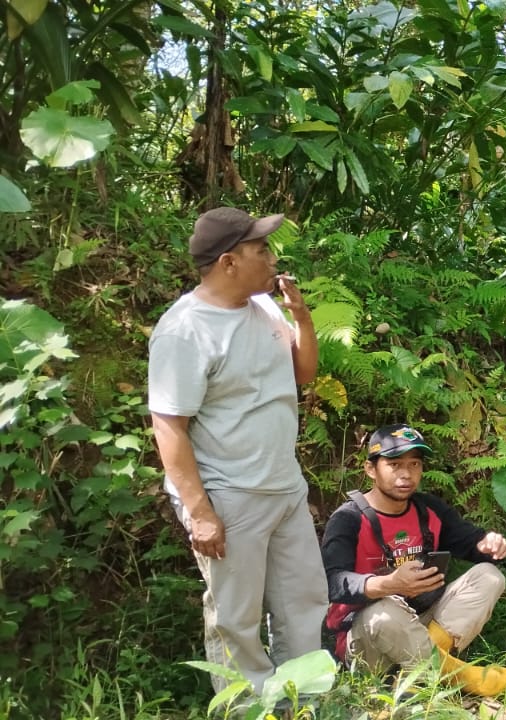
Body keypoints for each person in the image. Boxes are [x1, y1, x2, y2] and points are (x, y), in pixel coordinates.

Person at [148, 207, 328, 693]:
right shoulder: (186, 329)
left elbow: (302, 373)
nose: (272, 258)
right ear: (229, 261)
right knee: (236, 617)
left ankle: (305, 700)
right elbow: (168, 426)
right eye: (261, 250)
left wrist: (302, 318)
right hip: (229, 493)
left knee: (304, 601)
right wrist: (200, 512)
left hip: (284, 486)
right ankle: (248, 706)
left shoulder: (264, 307)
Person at [319, 424, 506, 697]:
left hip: (420, 620)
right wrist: (388, 584)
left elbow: (471, 543)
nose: (406, 474)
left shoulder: (428, 508)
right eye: (395, 464)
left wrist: (489, 544)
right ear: (370, 469)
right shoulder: (348, 519)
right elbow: (332, 582)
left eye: (414, 464)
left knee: (489, 576)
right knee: (382, 613)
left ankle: (416, 674)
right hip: (367, 640)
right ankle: (461, 677)